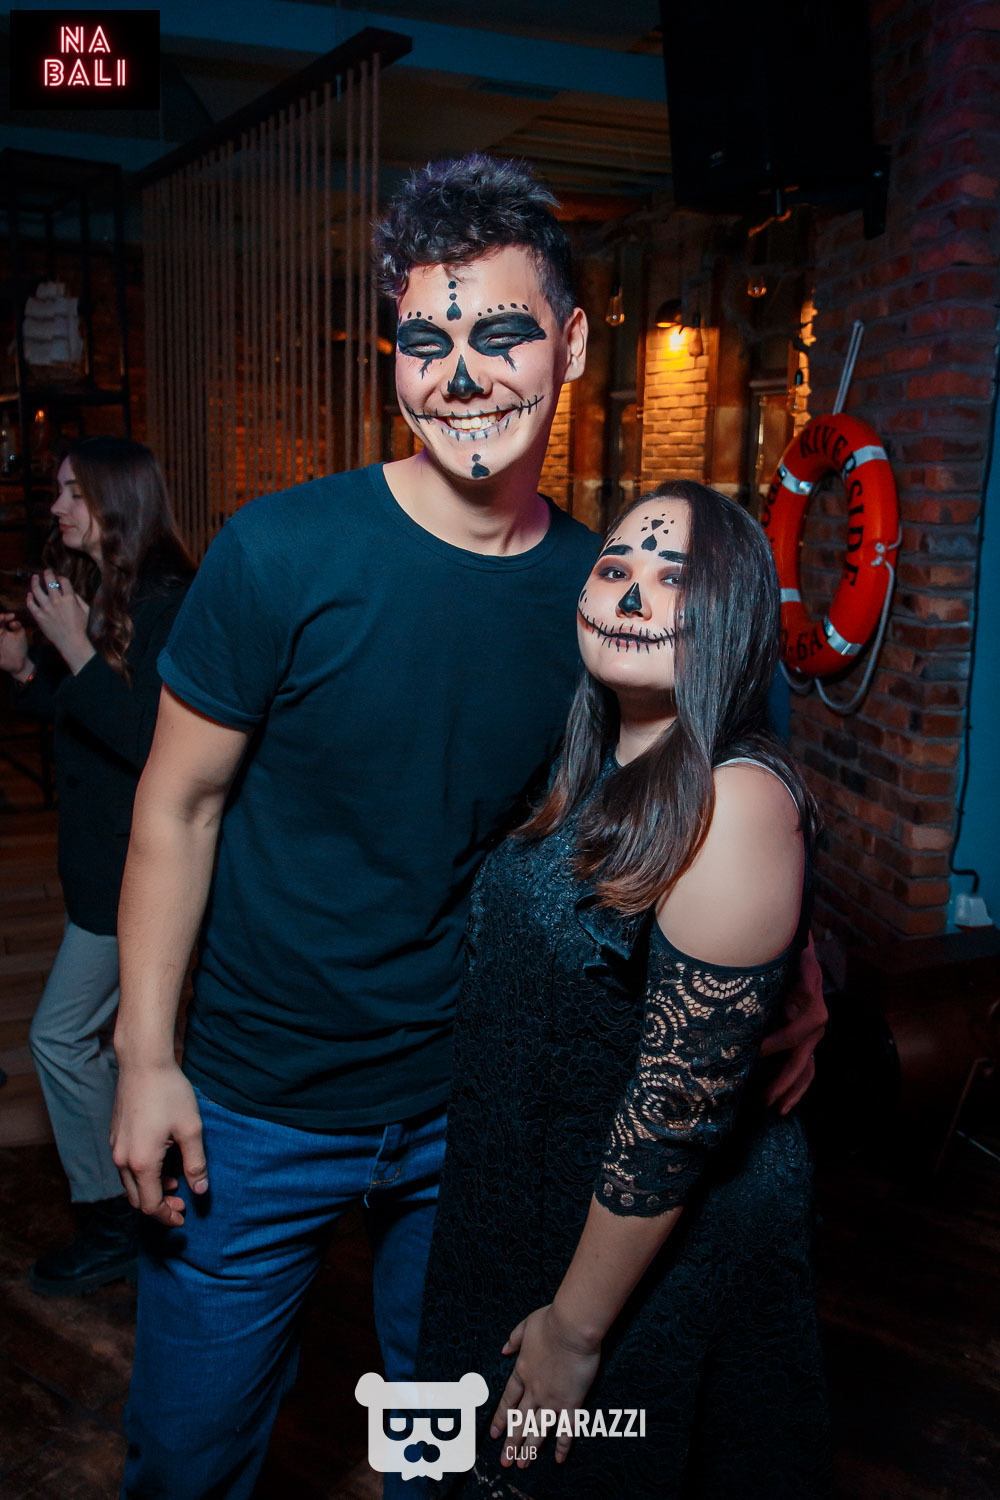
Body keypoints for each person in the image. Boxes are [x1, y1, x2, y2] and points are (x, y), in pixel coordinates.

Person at [109, 156, 826, 1499]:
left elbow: (720, 774)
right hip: (256, 1105)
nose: (463, 376)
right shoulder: (280, 553)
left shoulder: (605, 596)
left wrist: (793, 969)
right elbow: (177, 802)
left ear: (570, 344)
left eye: (502, 334)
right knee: (188, 1461)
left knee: (444, 1463)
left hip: (475, 1117)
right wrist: (146, 1056)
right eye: (424, 343)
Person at [418, 481, 830, 1498]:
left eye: (675, 579)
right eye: (615, 567)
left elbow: (675, 1113)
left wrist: (576, 1328)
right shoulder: (590, 765)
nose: (633, 596)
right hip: (529, 1205)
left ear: (732, 615)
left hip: (638, 1253)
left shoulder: (735, 799)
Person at [0, 436, 193, 1296]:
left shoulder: (172, 598)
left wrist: (75, 650)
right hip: (98, 863)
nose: (56, 507)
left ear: (117, 500)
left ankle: (111, 1216)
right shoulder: (106, 584)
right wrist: (24, 669)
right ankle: (147, 1177)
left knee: (58, 1036)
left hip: (139, 873)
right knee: (121, 1045)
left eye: (73, 492)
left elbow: (155, 743)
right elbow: (80, 714)